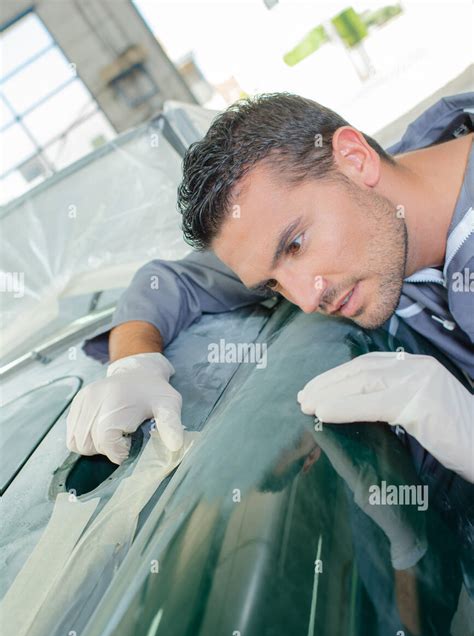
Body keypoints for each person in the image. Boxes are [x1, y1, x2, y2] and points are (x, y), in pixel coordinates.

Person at [66, 93, 473, 481]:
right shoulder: (391, 187)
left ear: (355, 157)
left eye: (295, 245)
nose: (308, 298)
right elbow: (168, 283)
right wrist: (133, 366)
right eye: (273, 283)